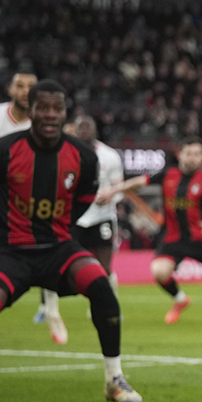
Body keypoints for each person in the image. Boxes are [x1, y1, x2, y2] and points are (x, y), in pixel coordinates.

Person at [0, 80, 140, 402]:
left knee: (102, 287)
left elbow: (84, 199)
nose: (49, 115)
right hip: (10, 255)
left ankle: (114, 380)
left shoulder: (84, 157)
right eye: (42, 108)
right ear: (30, 111)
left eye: (56, 108)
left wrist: (59, 227)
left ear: (65, 113)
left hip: (59, 250)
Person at [0, 70, 68, 347]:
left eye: (30, 86)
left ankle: (53, 312)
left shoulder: (44, 122)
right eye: (20, 85)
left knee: (46, 252)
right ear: (10, 89)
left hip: (29, 203)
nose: (24, 90)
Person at [97, 137, 202, 324]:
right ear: (180, 154)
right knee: (159, 271)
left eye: (197, 154)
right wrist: (113, 191)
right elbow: (138, 182)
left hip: (199, 240)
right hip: (173, 239)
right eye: (189, 153)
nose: (193, 158)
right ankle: (181, 300)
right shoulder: (167, 174)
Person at [66, 116, 125, 284]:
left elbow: (119, 189)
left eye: (88, 126)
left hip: (102, 217)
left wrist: (110, 195)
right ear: (74, 130)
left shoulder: (109, 155)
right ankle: (48, 309)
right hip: (74, 218)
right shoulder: (66, 153)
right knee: (61, 265)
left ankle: (111, 309)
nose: (85, 129)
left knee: (105, 268)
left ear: (95, 130)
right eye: (81, 126)